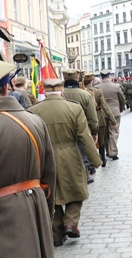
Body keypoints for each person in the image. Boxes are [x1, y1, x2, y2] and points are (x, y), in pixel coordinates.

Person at [30, 78, 102, 247]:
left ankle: (56, 235)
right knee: (77, 189)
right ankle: (70, 222)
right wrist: (95, 160)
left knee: (51, 195)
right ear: (62, 91)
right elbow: (84, 137)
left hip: (45, 157)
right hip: (70, 154)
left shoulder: (33, 111)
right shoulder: (74, 108)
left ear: (45, 92)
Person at [0, 61, 56, 256]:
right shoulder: (35, 121)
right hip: (35, 213)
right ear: (7, 86)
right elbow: (49, 179)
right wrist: (44, 216)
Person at [63, 69, 98, 183]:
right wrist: (94, 132)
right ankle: (84, 175)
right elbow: (92, 117)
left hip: (64, 129)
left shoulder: (61, 94)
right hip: (82, 129)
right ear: (77, 79)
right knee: (83, 154)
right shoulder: (85, 95)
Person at [84, 72, 117, 167]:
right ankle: (103, 159)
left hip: (85, 119)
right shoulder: (97, 91)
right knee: (101, 140)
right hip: (98, 117)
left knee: (88, 141)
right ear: (92, 81)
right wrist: (113, 120)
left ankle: (90, 163)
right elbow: (105, 106)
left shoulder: (82, 91)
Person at [97, 69, 125, 161]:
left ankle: (105, 151)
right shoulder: (116, 86)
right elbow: (122, 99)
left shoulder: (97, 87)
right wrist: (121, 109)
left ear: (101, 76)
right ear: (109, 76)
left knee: (104, 133)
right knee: (114, 132)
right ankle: (112, 152)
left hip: (102, 113)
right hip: (114, 112)